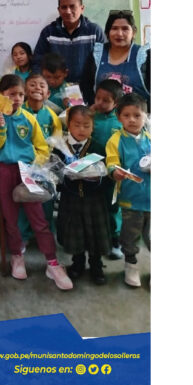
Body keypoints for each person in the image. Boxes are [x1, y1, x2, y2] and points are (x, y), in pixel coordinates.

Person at [0, 74, 73, 290]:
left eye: (20, 94)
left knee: (38, 218)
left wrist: (35, 166)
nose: (16, 99)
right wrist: (1, 128)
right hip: (6, 171)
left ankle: (52, 262)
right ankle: (17, 256)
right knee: (11, 219)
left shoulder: (29, 119)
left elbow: (42, 148)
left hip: (28, 171)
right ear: (1, 95)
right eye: (11, 94)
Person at [55, 105, 112, 286]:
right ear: (68, 125)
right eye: (77, 125)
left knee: (95, 233)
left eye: (86, 125)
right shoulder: (60, 148)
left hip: (94, 199)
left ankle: (96, 265)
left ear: (93, 127)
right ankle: (77, 263)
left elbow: (108, 174)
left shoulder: (98, 147)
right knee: (75, 233)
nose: (81, 129)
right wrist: (62, 177)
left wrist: (98, 177)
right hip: (70, 199)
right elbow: (55, 172)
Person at [106, 93, 151, 288]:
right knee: (130, 236)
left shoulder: (151, 138)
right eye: (126, 115)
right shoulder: (115, 140)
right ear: (118, 117)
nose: (132, 120)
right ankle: (131, 265)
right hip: (130, 199)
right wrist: (114, 172)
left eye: (137, 115)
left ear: (146, 116)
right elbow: (111, 163)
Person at [32, 0, 105, 96]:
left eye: (72, 6)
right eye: (64, 7)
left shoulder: (94, 31)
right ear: (59, 10)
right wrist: (41, 87)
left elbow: (102, 63)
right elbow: (38, 62)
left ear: (82, 8)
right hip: (55, 93)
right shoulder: (49, 32)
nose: (68, 11)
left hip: (89, 92)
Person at [17, 74, 61, 243]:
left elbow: (57, 141)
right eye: (33, 85)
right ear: (24, 91)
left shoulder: (52, 116)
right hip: (22, 164)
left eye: (42, 86)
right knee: (24, 200)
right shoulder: (18, 112)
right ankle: (23, 235)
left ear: (48, 94)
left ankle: (45, 235)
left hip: (45, 166)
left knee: (46, 201)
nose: (37, 88)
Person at [84, 10, 151, 110]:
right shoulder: (96, 54)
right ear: (107, 32)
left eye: (125, 29)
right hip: (102, 116)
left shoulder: (145, 55)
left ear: (133, 33)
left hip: (136, 117)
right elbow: (87, 87)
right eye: (114, 28)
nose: (119, 34)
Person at [89, 78, 126, 260]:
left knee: (113, 206)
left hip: (113, 172)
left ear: (116, 103)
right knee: (94, 205)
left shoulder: (121, 121)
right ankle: (96, 238)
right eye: (98, 98)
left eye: (106, 100)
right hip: (91, 170)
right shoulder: (90, 116)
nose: (100, 103)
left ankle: (115, 239)